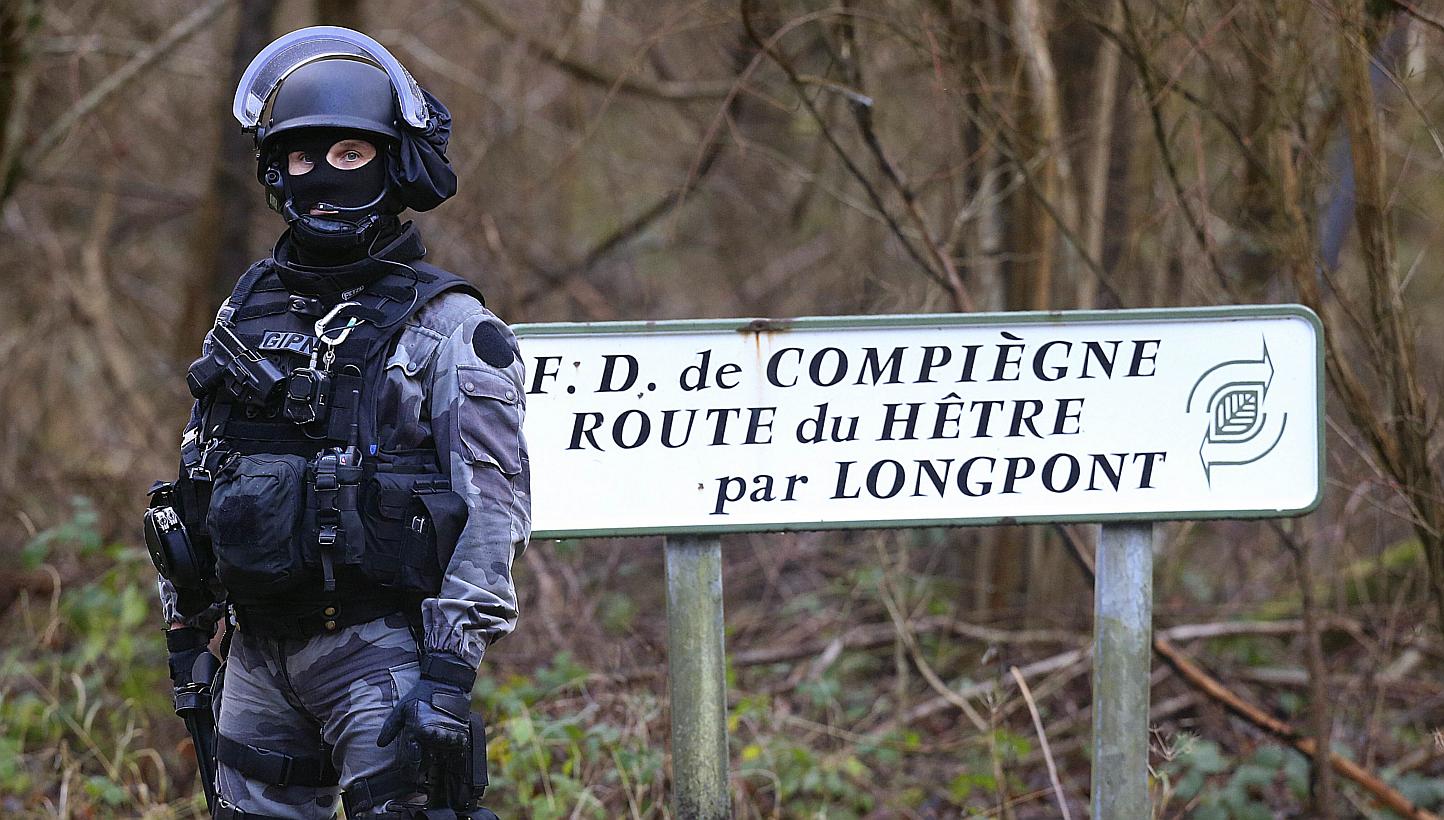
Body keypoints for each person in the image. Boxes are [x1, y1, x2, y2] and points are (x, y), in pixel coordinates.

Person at [146, 27, 529, 820]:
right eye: (298, 157)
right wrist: (188, 624)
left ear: (394, 164)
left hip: (381, 654)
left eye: (348, 155)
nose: (318, 176)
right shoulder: (247, 311)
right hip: (255, 656)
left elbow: (495, 510)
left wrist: (451, 674)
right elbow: (200, 474)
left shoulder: (450, 326)